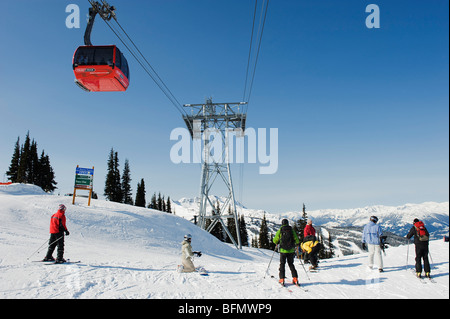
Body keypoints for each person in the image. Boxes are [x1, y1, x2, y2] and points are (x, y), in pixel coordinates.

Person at [273, 219, 300, 286]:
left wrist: (277, 242)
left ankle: (282, 279)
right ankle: (295, 278)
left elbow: (275, 240)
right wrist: (296, 244)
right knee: (291, 264)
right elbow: (297, 239)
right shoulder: (291, 230)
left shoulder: (280, 230)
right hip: (291, 250)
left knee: (282, 264)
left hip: (283, 250)